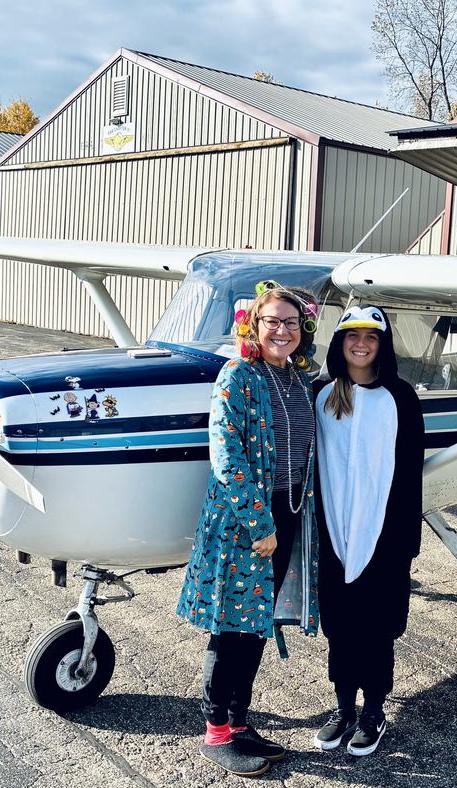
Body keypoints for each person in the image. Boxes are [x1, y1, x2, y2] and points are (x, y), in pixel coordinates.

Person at [176, 282, 321, 777]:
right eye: (272, 321)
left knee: (256, 623)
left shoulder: (299, 380)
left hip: (289, 510)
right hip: (247, 518)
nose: (282, 330)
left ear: (304, 330)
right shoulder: (238, 374)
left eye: (291, 322)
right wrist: (260, 523)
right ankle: (216, 731)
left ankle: (239, 721)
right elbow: (226, 453)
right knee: (233, 627)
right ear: (254, 327)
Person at [311, 305, 424, 756]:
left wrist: (405, 543)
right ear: (339, 343)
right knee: (340, 628)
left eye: (371, 337)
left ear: (383, 344)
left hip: (384, 537)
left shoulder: (400, 397)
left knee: (377, 628)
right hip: (335, 535)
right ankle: (344, 709)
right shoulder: (322, 395)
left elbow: (411, 472)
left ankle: (373, 711)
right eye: (352, 335)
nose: (361, 344)